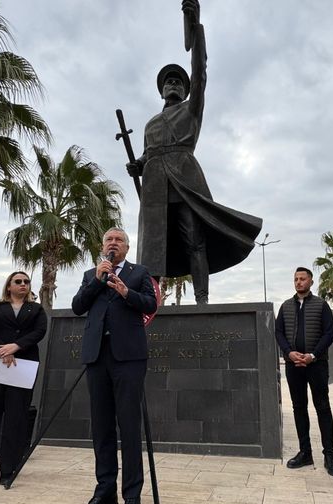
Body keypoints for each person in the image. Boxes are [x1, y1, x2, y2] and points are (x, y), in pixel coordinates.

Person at [125, 0, 261, 303]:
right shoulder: (150, 123)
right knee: (152, 248)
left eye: (178, 81)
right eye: (168, 81)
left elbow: (200, 72)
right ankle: (150, 303)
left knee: (195, 240)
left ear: (186, 90)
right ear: (161, 90)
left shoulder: (191, 110)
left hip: (184, 179)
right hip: (155, 184)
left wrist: (196, 28)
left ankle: (201, 299)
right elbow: (149, 154)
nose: (173, 84)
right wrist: (139, 164)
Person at [72, 228, 157, 504]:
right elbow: (77, 306)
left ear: (127, 248)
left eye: (119, 240)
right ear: (102, 246)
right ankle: (105, 488)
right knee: (102, 426)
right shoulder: (91, 274)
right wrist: (98, 280)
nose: (113, 243)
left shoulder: (139, 272)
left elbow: (150, 303)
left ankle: (132, 494)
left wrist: (126, 292)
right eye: (109, 239)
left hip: (129, 358)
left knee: (129, 426)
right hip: (97, 356)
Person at [0, 271, 47, 488]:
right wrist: (1, 350)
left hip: (21, 367)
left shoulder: (37, 309)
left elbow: (39, 331)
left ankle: (7, 469)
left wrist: (16, 346)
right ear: (9, 286)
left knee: (16, 418)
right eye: (18, 281)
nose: (23, 284)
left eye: (26, 281)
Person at [274, 267, 333, 477]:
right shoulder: (285, 306)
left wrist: (312, 354)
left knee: (322, 407)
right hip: (294, 365)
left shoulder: (321, 305)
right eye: (296, 279)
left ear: (311, 282)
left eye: (303, 279)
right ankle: (305, 452)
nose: (298, 282)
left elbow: (329, 333)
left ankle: (329, 455)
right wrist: (289, 352)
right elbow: (279, 332)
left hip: (316, 364)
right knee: (298, 407)